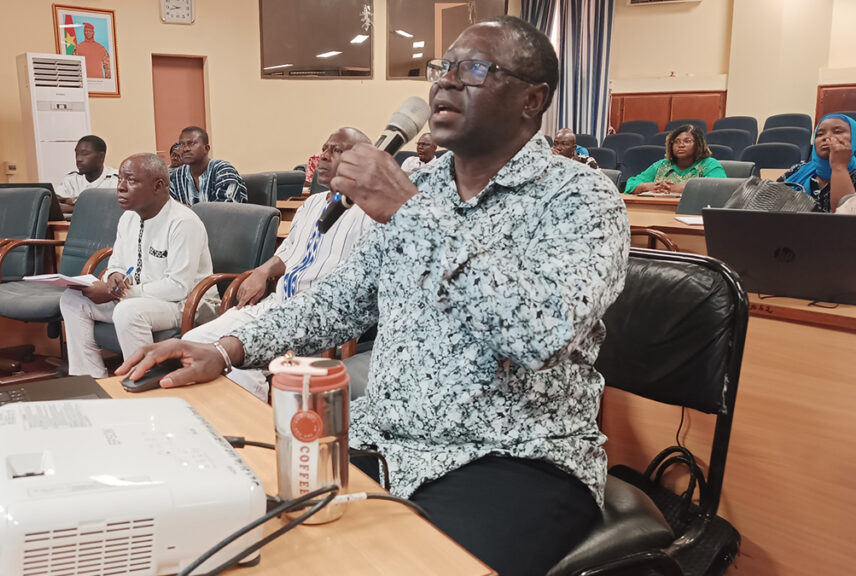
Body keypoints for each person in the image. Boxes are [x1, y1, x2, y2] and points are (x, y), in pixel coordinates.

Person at [118, 16, 629, 576]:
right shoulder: (426, 188)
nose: (445, 81)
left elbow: (540, 333)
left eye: (475, 69)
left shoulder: (579, 197)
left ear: (532, 99)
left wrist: (410, 213)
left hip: (512, 455)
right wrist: (227, 347)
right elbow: (337, 301)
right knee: (243, 532)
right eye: (442, 67)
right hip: (383, 434)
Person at [179, 127, 375, 400]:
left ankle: (251, 422)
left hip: (315, 319)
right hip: (276, 303)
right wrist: (262, 271)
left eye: (336, 150)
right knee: (192, 344)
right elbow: (288, 251)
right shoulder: (312, 203)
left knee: (240, 367)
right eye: (324, 148)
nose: (324, 156)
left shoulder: (370, 213)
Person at [59, 153, 219, 378]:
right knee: (73, 299)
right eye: (120, 179)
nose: (120, 187)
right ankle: (89, 376)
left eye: (131, 180)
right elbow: (117, 264)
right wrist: (114, 277)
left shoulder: (183, 222)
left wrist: (118, 293)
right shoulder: (129, 218)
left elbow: (178, 287)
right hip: (139, 297)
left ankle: (140, 380)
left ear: (158, 185)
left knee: (128, 312)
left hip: (187, 304)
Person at [779, 113, 856, 213]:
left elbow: (845, 219)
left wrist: (839, 167)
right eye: (820, 134)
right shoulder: (798, 169)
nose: (826, 137)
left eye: (837, 132)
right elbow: (770, 202)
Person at [625, 124, 725, 194]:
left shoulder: (709, 164)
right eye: (676, 142)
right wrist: (647, 187)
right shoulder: (662, 165)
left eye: (687, 141)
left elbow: (719, 187)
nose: (681, 145)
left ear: (698, 144)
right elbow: (631, 184)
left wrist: (676, 188)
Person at [168, 126, 247, 204]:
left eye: (191, 143)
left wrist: (184, 209)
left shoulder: (224, 171)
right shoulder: (175, 176)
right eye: (181, 144)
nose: (185, 149)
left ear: (206, 148)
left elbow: (225, 208)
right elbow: (168, 207)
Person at [57, 135, 119, 214]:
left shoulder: (118, 179)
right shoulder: (71, 179)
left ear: (101, 156)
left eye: (85, 154)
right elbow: (58, 206)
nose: (78, 159)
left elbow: (114, 208)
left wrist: (72, 205)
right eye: (76, 153)